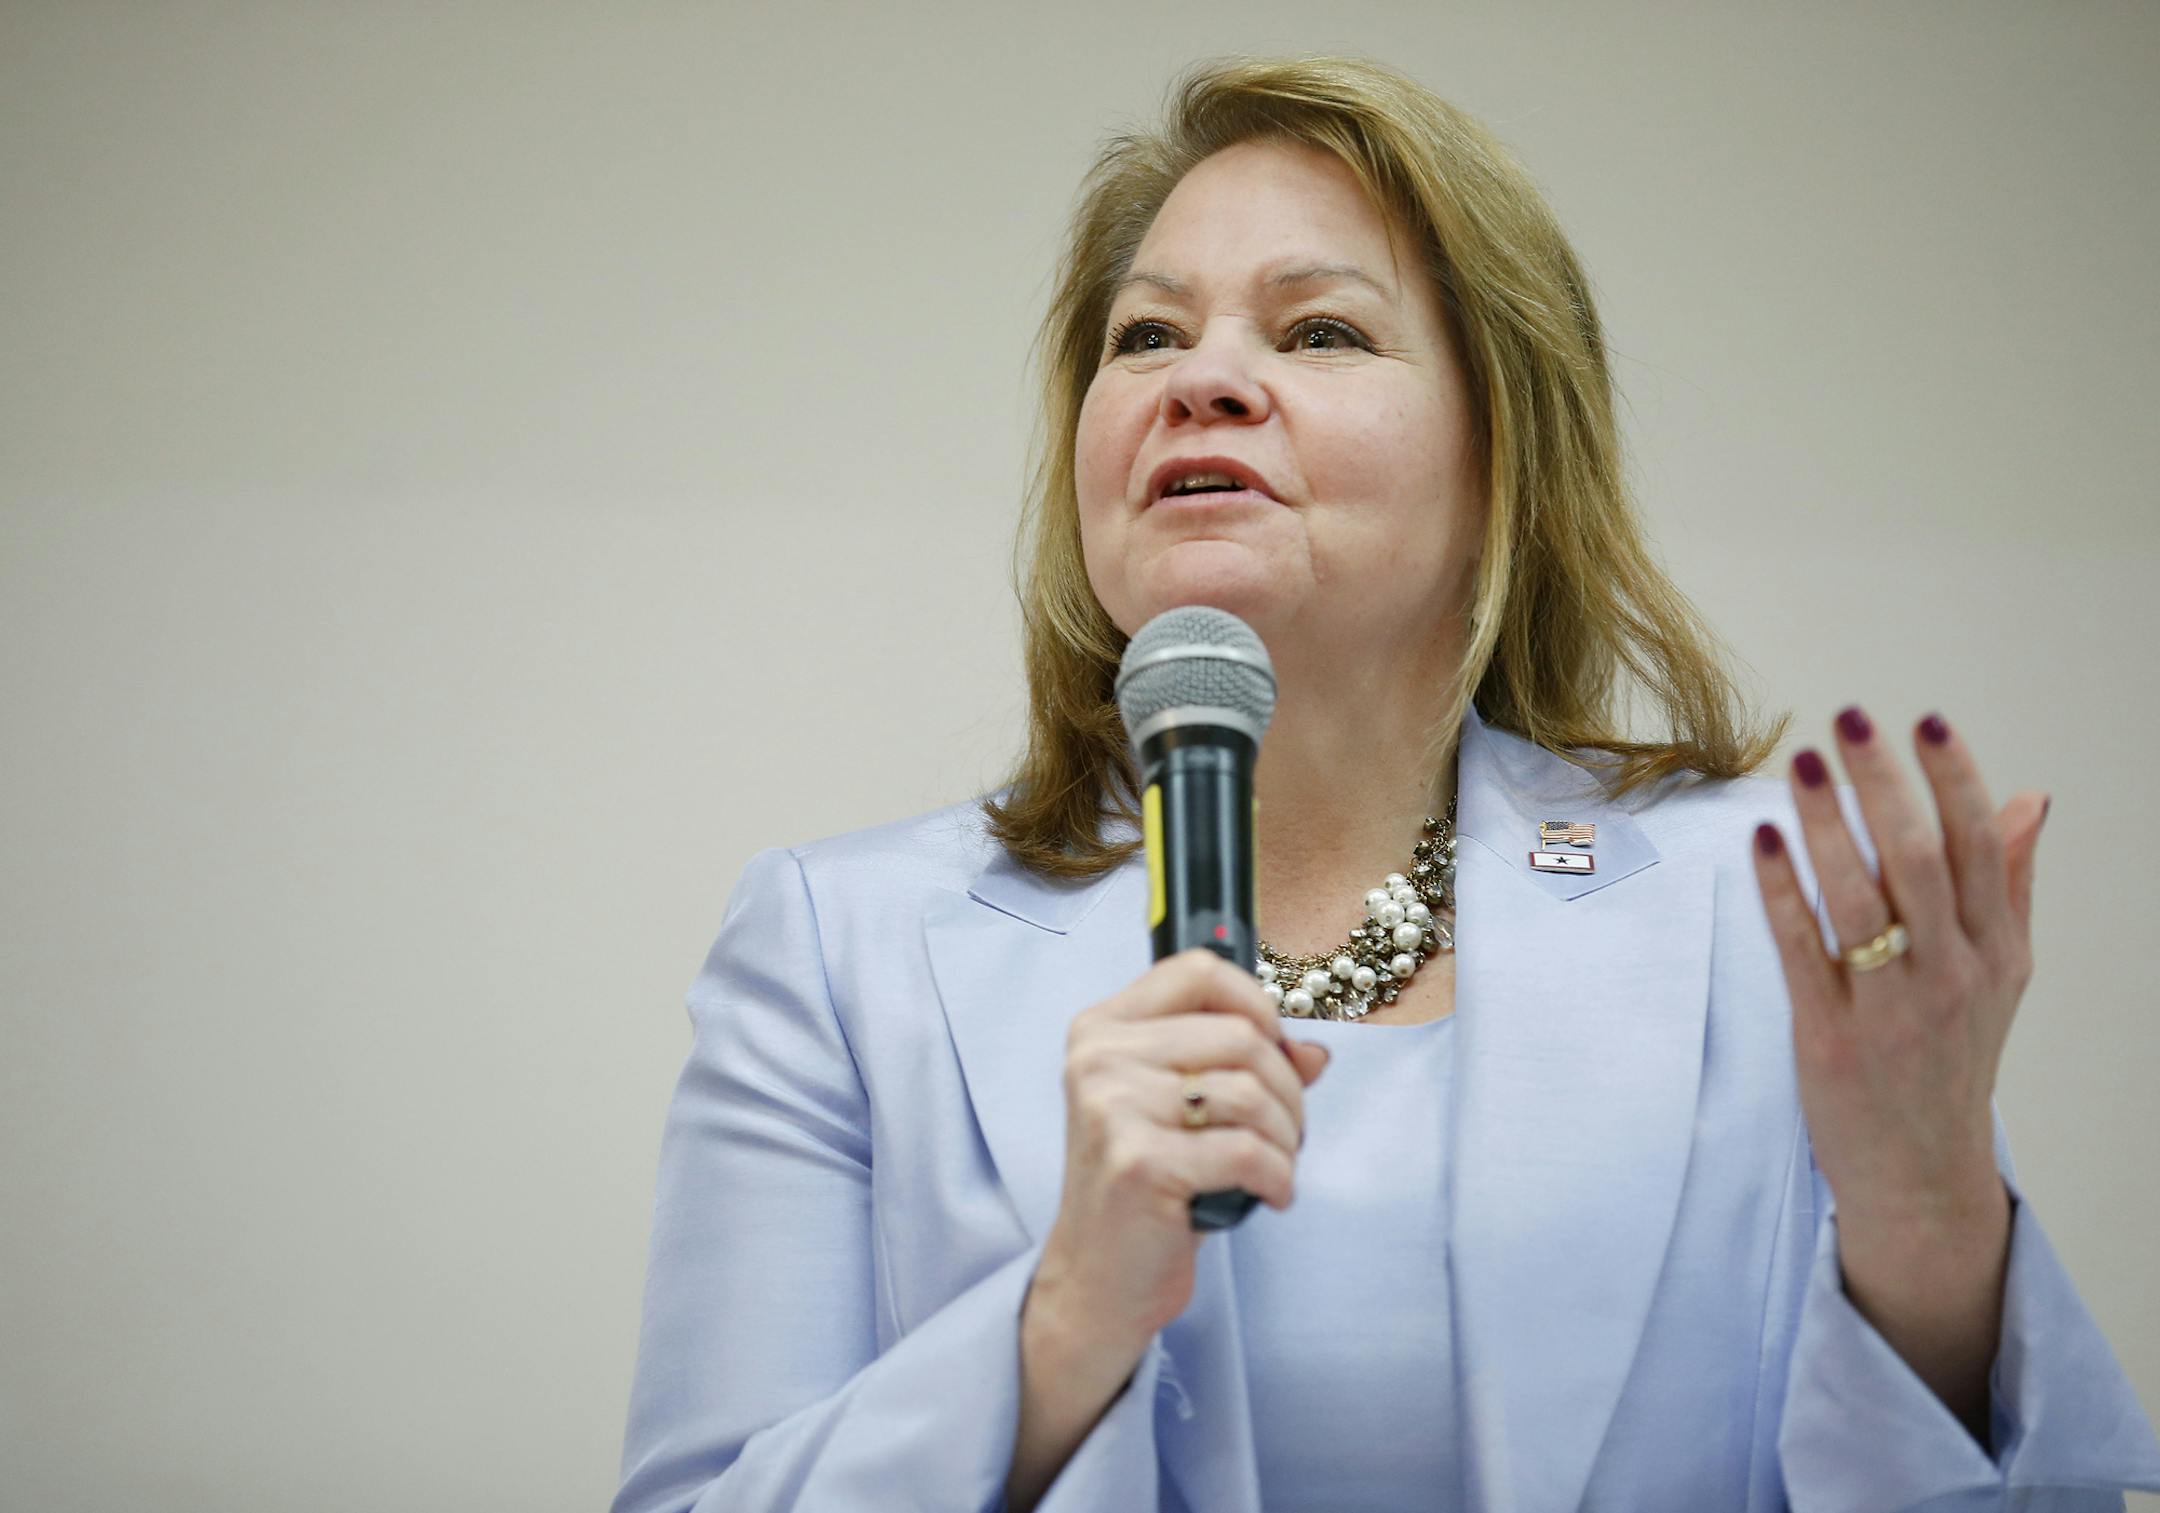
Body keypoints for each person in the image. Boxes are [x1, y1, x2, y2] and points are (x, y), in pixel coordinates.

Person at [611, 53, 2160, 1513]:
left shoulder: (1767, 911)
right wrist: (1059, 1317)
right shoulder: (837, 946)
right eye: (1146, 336)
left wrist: (1931, 1234)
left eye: (1319, 332)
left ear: (1504, 459)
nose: (1201, 380)